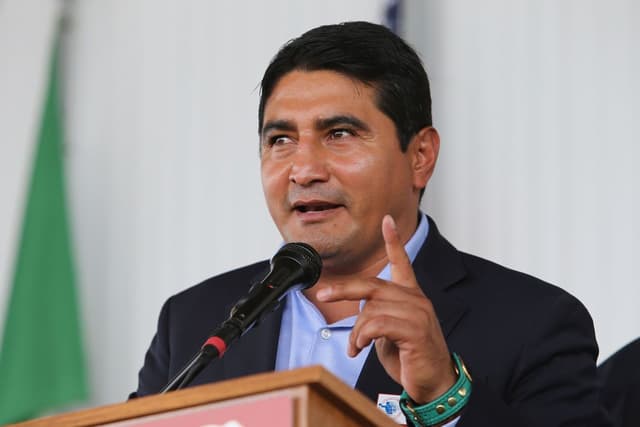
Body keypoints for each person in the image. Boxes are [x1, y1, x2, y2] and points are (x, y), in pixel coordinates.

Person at [131, 22, 608, 426]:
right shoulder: (192, 322)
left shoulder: (534, 322)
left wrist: (443, 395)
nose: (304, 170)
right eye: (281, 140)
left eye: (339, 134)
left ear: (420, 156)